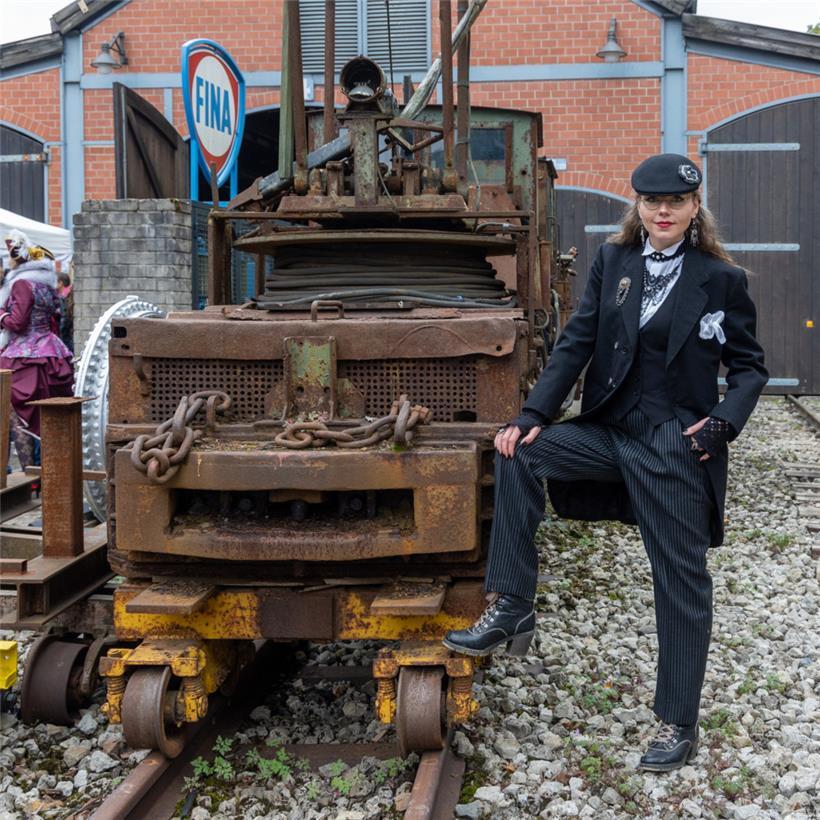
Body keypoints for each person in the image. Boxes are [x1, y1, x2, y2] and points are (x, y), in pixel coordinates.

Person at [444, 154, 768, 772]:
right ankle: (512, 603)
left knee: (680, 585)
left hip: (674, 444)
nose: (663, 212)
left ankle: (677, 723)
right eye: (652, 202)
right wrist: (531, 415)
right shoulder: (614, 263)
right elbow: (576, 344)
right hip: (611, 431)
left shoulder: (721, 279)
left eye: (674, 203)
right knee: (522, 455)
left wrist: (721, 425)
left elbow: (751, 367)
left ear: (694, 208)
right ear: (639, 208)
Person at [0, 229, 74, 469]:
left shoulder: (21, 283)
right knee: (48, 417)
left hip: (24, 359)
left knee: (19, 420)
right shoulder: (47, 284)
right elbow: (55, 315)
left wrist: (1, 315)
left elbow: (18, 323)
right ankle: (50, 472)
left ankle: (31, 478)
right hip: (52, 354)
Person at [56, 270, 75, 353]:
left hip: (65, 331)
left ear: (60, 283)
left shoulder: (63, 296)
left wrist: (60, 331)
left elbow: (65, 316)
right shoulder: (68, 293)